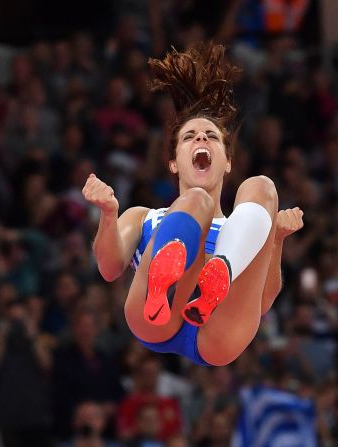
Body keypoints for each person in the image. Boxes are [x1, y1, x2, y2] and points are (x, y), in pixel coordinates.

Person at [83, 42, 303, 367]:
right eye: (189, 137)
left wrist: (275, 242)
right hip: (156, 316)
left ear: (227, 162)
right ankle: (171, 279)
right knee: (195, 202)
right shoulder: (142, 216)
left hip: (220, 326)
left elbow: (262, 301)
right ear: (173, 163)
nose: (201, 139)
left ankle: (220, 273)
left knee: (262, 187)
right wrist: (108, 213)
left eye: (211, 136)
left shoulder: (244, 224)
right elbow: (109, 267)